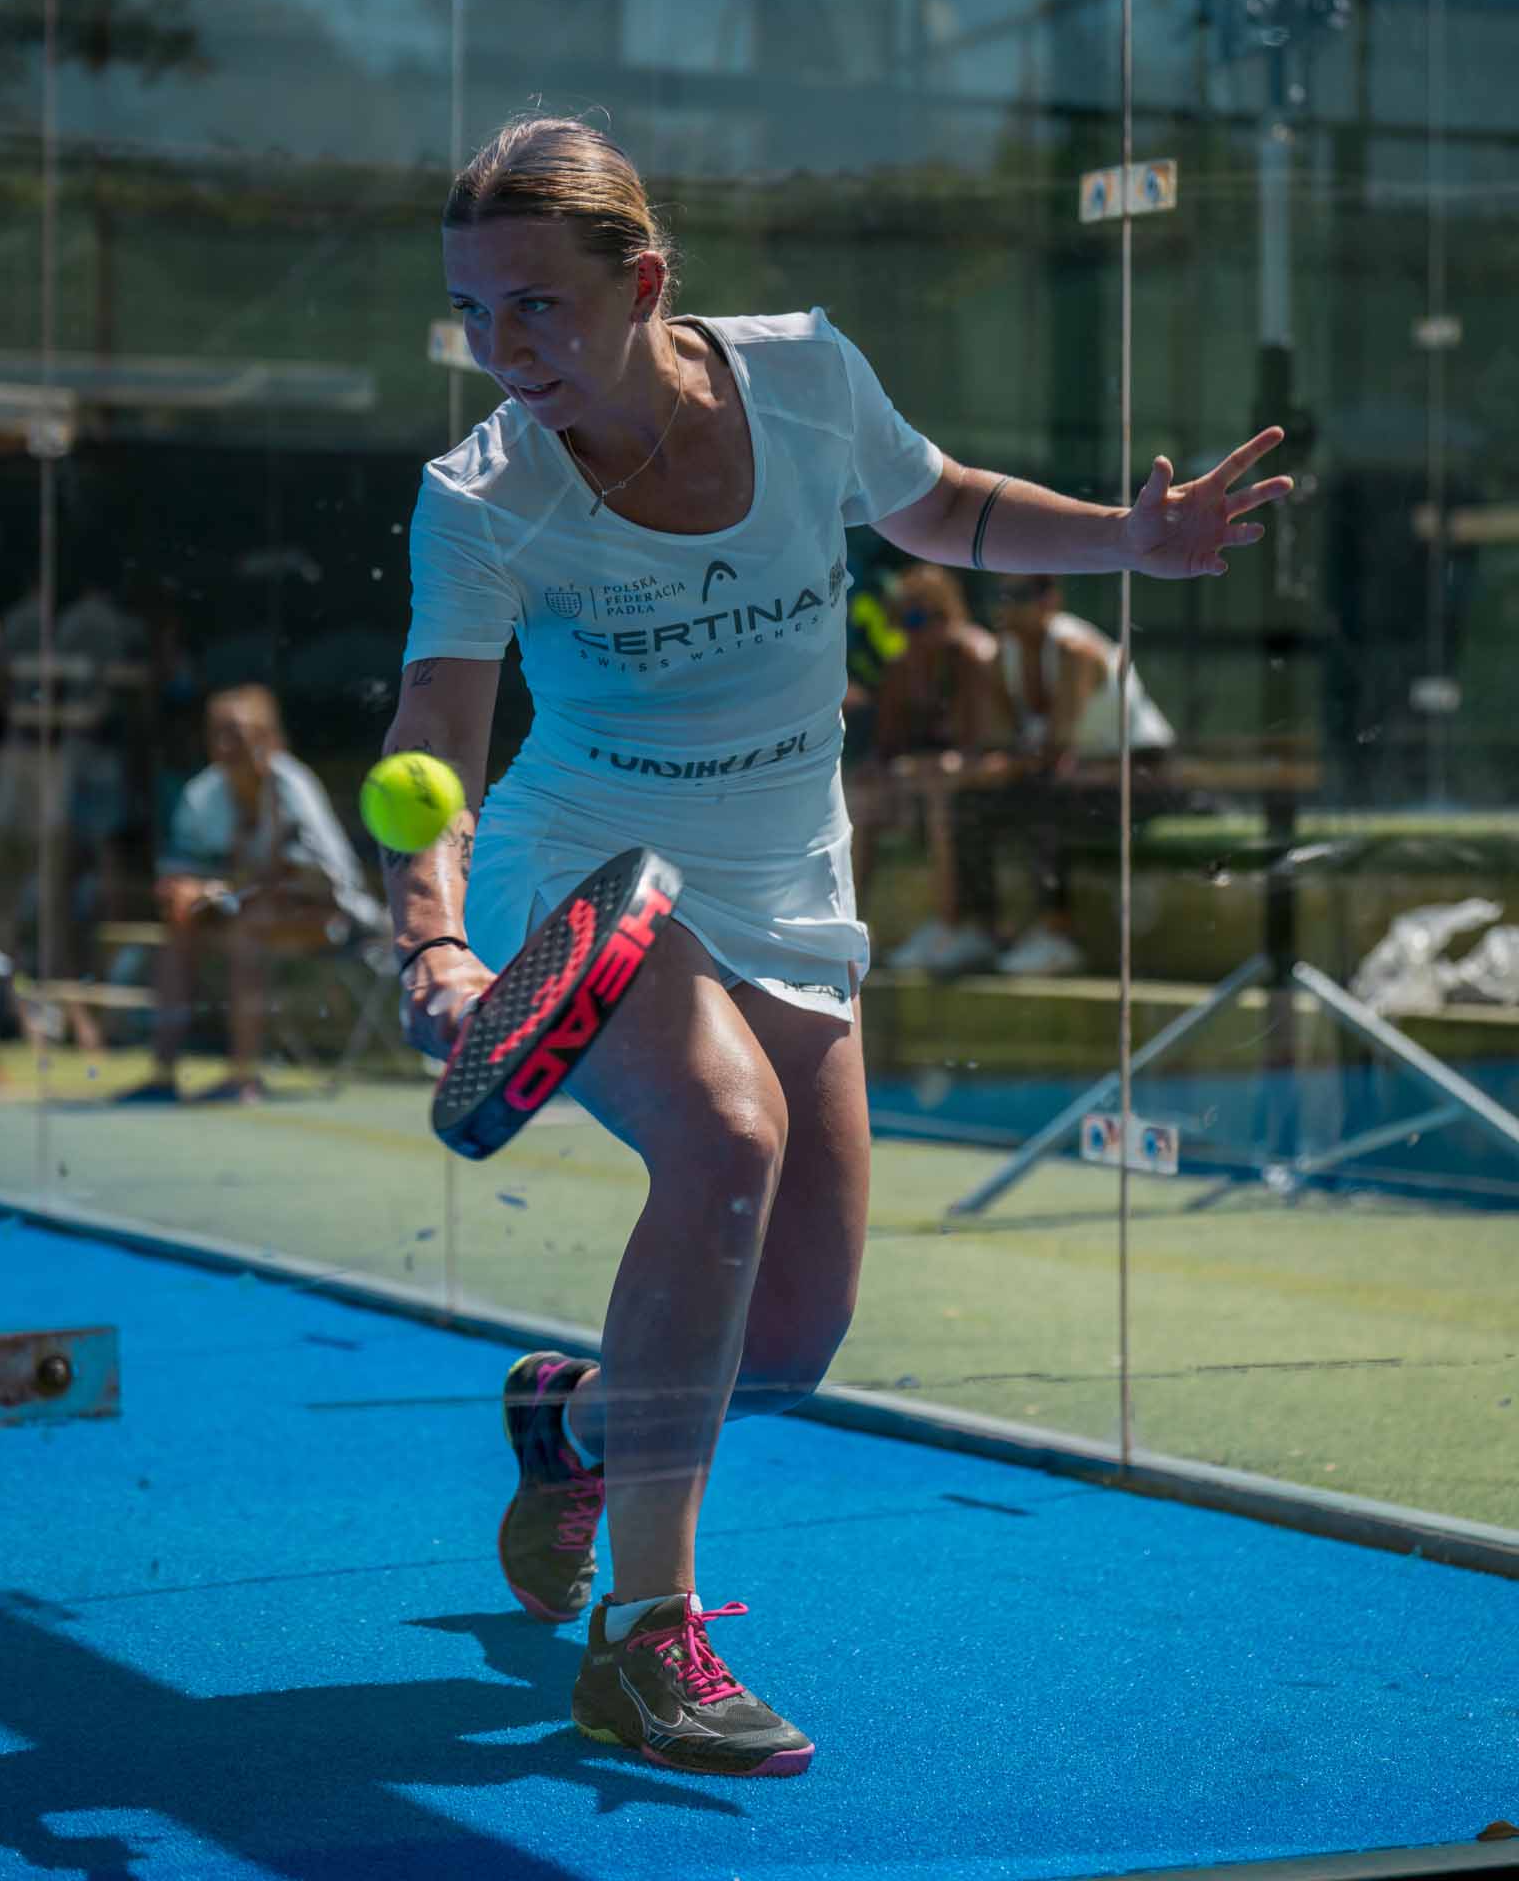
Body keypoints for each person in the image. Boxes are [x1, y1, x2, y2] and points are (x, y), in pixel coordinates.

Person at [383, 113, 1292, 1777]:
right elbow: (435, 732)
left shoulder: (803, 376)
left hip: (786, 874)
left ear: (644, 284)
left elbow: (939, 506)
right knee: (726, 1138)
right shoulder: (481, 495)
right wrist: (434, 941)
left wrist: (1128, 537)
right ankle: (646, 1640)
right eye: (475, 313)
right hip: (584, 863)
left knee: (791, 1342)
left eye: (537, 306)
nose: (504, 350)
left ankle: (574, 1423)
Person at [118, 683, 386, 1103]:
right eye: (217, 734)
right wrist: (185, 891)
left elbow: (322, 883)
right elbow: (180, 872)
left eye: (237, 734)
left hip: (331, 920)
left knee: (248, 931)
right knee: (180, 930)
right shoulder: (203, 794)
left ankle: (244, 1077)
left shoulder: (293, 788)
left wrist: (228, 888)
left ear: (269, 739)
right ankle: (162, 1075)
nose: (226, 746)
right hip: (244, 913)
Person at [970, 572, 1179, 976]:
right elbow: (1000, 738)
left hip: (1142, 777)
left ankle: (1057, 934)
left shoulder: (1074, 650)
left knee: (1046, 800)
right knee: (974, 801)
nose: (1005, 604)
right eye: (1000, 593)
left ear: (1050, 599)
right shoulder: (1001, 656)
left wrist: (1001, 765)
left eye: (1019, 594)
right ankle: (979, 930)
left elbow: (1055, 747)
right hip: (1076, 777)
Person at [848, 562, 1006, 975]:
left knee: (939, 796)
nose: (919, 630)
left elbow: (980, 743)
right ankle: (851, 928)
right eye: (910, 620)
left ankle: (948, 927)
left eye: (932, 618)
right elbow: (886, 746)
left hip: (991, 771)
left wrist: (922, 767)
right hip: (926, 776)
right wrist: (885, 769)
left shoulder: (974, 657)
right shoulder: (902, 668)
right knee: (863, 800)